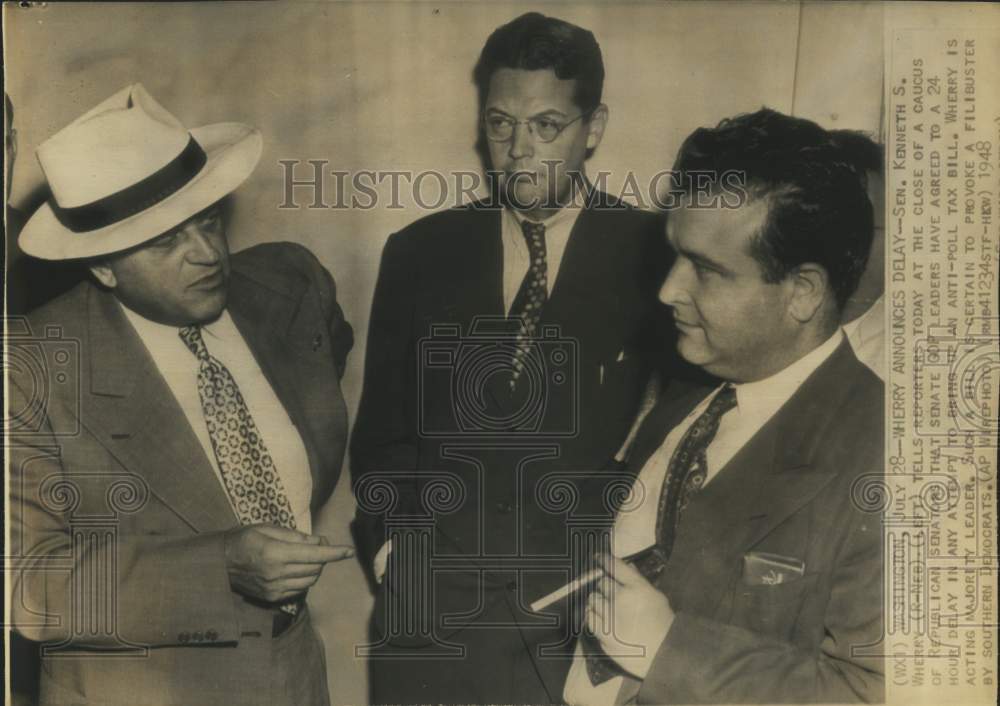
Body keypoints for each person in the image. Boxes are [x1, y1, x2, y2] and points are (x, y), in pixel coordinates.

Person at [350, 12, 677, 705]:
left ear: (594, 127)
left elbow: (672, 444)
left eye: (546, 126)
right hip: (425, 626)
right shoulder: (419, 252)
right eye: (501, 124)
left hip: (578, 623)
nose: (518, 151)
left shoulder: (659, 257)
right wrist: (392, 556)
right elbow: (381, 435)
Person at [7, 84, 355, 706]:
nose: (207, 254)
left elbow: (326, 361)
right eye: (167, 240)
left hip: (295, 675)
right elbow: (28, 585)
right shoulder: (30, 367)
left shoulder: (288, 287)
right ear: (103, 265)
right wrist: (220, 566)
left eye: (208, 219)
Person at [568, 108, 884, 704]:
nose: (667, 290)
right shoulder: (690, 384)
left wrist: (668, 648)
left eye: (707, 271)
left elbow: (875, 693)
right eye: (675, 255)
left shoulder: (891, 456)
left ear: (803, 293)